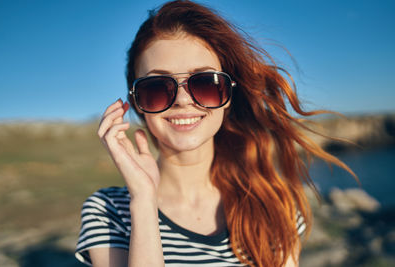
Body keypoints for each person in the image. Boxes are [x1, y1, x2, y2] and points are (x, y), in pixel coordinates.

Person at [75, 1, 354, 266]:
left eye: (206, 83)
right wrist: (144, 202)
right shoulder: (108, 211)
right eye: (157, 87)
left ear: (228, 94)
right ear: (136, 102)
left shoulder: (274, 205)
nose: (183, 100)